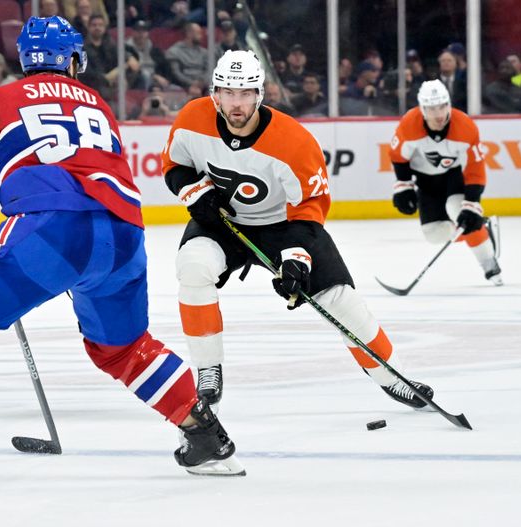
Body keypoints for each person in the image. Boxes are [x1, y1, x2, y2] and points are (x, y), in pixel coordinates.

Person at [0, 16, 244, 489]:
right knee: (123, 347)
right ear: (72, 59)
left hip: (52, 227)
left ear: (25, 59)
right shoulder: (99, 104)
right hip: (124, 233)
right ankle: (207, 439)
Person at [160, 49, 434, 413]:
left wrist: (295, 257)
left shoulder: (294, 141)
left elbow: (309, 206)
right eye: (227, 92)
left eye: (245, 93)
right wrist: (196, 192)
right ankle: (208, 369)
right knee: (192, 267)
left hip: (284, 227)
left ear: (260, 94)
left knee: (339, 300)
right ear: (215, 94)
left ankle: (392, 376)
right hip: (223, 221)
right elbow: (174, 165)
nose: (236, 103)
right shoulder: (193, 117)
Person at [389, 79, 502, 285]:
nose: (439, 114)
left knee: (457, 210)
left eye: (443, 106)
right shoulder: (409, 124)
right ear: (422, 109)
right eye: (432, 108)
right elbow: (398, 156)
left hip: (454, 176)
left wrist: (472, 204)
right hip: (426, 180)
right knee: (435, 234)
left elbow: (475, 168)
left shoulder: (465, 127)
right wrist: (403, 186)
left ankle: (490, 265)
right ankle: (481, 227)